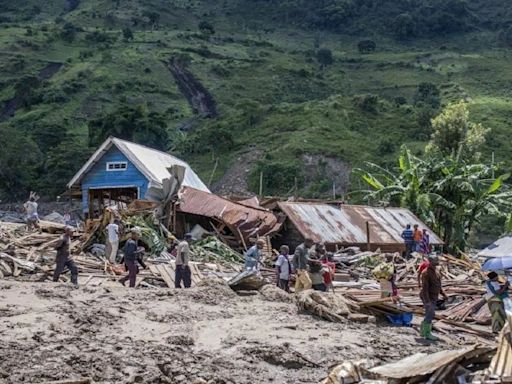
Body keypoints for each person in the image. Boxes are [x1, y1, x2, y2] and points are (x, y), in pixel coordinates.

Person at [420, 255, 447, 341]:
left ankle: (423, 331)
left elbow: (438, 285)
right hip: (428, 296)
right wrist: (427, 301)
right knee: (430, 314)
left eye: (436, 264)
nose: (435, 265)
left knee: (429, 314)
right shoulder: (425, 273)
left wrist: (443, 294)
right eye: (434, 263)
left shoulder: (437, 272)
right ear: (430, 263)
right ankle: (427, 333)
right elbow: (425, 289)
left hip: (434, 296)